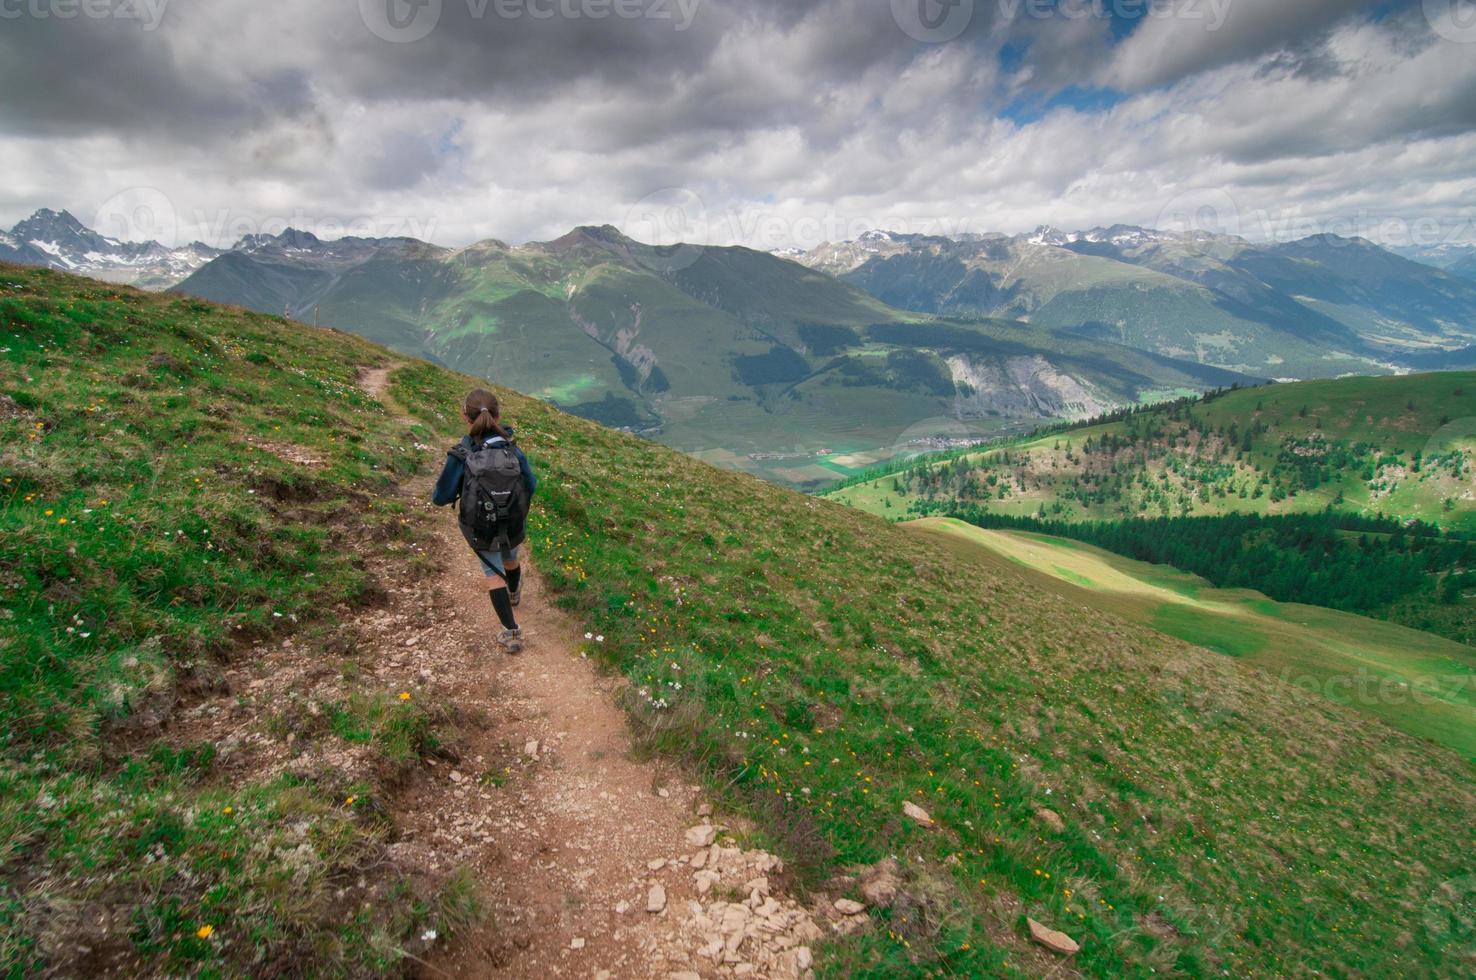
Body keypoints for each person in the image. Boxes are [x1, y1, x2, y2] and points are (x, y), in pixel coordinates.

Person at [432, 389, 538, 653]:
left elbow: (441, 497)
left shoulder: (462, 453)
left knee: (493, 574)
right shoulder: (512, 448)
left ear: (465, 417)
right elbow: (531, 484)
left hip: (480, 526)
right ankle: (514, 593)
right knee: (511, 557)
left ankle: (511, 632)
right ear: (498, 415)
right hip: (512, 520)